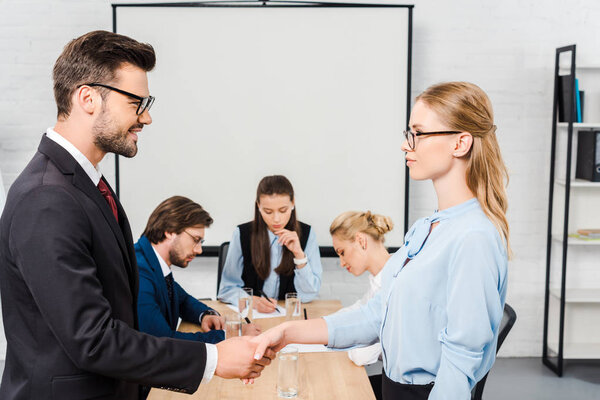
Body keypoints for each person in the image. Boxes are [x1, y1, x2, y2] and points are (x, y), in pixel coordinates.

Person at [0, 30, 273, 400]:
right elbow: (93, 340)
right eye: (136, 103)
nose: (146, 118)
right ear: (88, 98)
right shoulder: (48, 198)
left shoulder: (86, 184)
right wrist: (212, 358)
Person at [251, 81, 510, 400]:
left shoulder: (474, 237)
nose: (406, 145)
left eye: (418, 133)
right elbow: (376, 314)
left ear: (460, 143)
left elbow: (461, 361)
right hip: (394, 386)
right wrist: (288, 332)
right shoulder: (426, 228)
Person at [136, 195, 261, 342]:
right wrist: (234, 333)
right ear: (169, 231)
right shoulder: (140, 272)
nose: (199, 250)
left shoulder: (152, 261)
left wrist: (205, 315)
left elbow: (182, 300)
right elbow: (165, 342)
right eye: (195, 240)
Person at [218, 175, 322, 313]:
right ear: (258, 206)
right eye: (268, 212)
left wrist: (299, 254)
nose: (276, 219)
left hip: (288, 318)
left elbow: (308, 295)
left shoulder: (307, 234)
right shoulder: (242, 233)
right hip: (253, 318)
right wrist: (252, 301)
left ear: (293, 203)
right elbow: (226, 290)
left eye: (283, 210)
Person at [330, 210, 393, 400]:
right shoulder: (380, 277)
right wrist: (323, 325)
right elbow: (359, 309)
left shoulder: (393, 283)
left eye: (342, 253)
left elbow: (361, 356)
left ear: (361, 241)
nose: (341, 263)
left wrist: (337, 335)